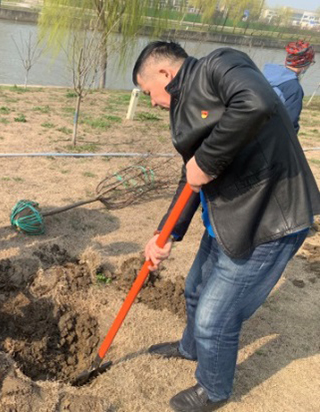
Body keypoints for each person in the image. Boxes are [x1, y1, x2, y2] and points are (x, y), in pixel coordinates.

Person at [133, 41, 320, 411]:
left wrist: (205, 160)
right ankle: (190, 347)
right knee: (194, 289)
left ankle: (214, 389)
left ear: (164, 74)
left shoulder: (220, 64)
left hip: (268, 219)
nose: (152, 102)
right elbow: (191, 176)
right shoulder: (183, 105)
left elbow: (257, 103)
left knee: (214, 317)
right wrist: (166, 232)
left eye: (148, 91)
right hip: (228, 216)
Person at [263, 40, 315, 133]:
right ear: (304, 64)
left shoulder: (264, 74)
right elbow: (290, 122)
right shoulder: (293, 88)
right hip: (271, 135)